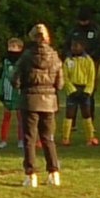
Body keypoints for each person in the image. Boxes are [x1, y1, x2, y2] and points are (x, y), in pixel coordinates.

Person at [13, 24, 63, 187]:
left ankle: (31, 175)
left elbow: (15, 79)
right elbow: (60, 83)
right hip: (49, 101)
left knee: (29, 139)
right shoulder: (55, 56)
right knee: (48, 138)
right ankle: (54, 173)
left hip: (30, 100)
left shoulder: (27, 56)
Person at [61, 38, 98, 147]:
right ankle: (65, 138)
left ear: (82, 47)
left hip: (84, 89)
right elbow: (65, 76)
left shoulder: (88, 60)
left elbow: (92, 77)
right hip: (73, 90)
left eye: (77, 46)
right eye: (73, 46)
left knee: (86, 113)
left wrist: (87, 91)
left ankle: (90, 137)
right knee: (69, 114)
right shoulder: (68, 60)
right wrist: (71, 90)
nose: (74, 48)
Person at [0, 37, 23, 149]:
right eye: (10, 46)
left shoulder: (22, 61)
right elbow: (3, 77)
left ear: (20, 48)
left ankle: (21, 140)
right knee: (6, 117)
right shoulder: (6, 62)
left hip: (18, 92)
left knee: (20, 118)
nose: (11, 49)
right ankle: (3, 140)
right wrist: (1, 91)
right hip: (7, 92)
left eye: (14, 46)